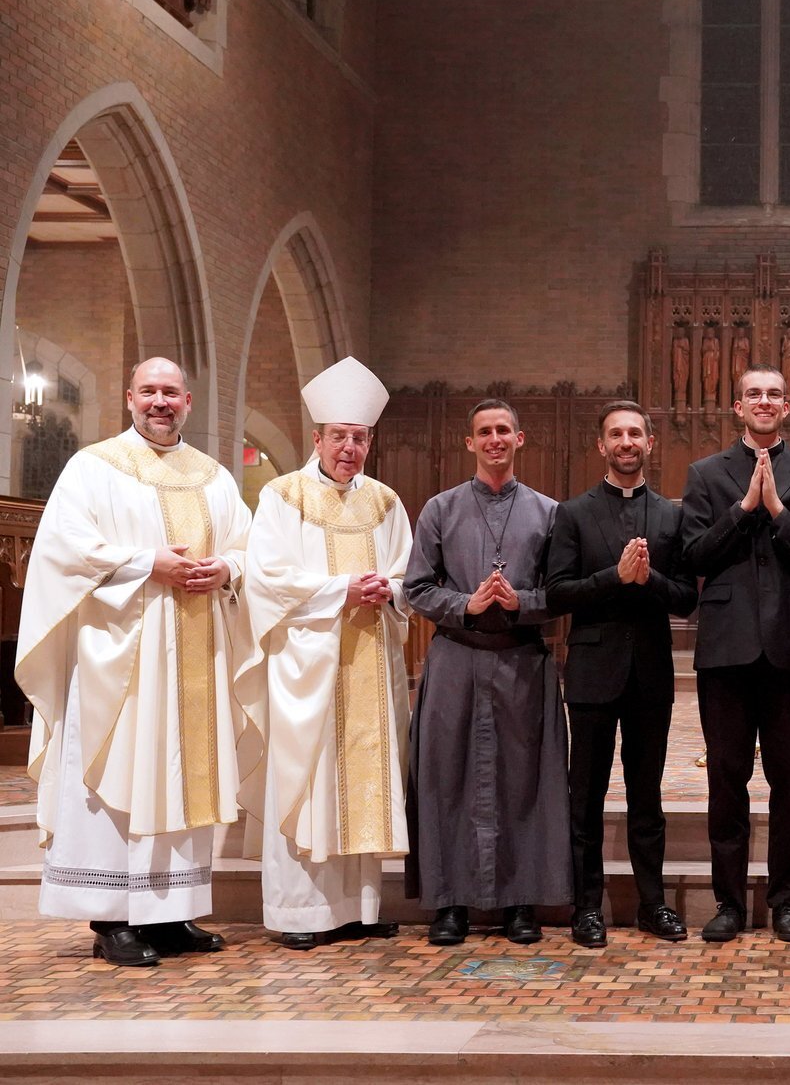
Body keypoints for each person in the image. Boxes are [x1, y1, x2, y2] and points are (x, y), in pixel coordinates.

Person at [16, 358, 253, 967]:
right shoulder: (93, 468)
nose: (159, 402)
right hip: (118, 659)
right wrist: (149, 564)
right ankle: (112, 919)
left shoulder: (215, 477)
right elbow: (65, 549)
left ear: (188, 402)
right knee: (118, 773)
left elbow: (249, 547)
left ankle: (171, 913)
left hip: (195, 652)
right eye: (148, 391)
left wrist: (225, 569)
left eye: (170, 393)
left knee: (181, 774)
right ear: (129, 397)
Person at [241, 356, 413, 950]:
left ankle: (360, 909)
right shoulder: (282, 496)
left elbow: (406, 573)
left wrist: (386, 590)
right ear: (317, 438)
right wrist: (342, 590)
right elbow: (267, 578)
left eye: (359, 438)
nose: (349, 448)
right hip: (305, 666)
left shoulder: (387, 503)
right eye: (338, 437)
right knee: (309, 779)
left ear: (370, 441)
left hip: (369, 659)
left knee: (361, 779)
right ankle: (299, 913)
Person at [680, 364, 790, 943]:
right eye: (754, 394)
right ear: (738, 407)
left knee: (789, 780)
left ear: (788, 406)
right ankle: (728, 902)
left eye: (775, 394)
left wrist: (776, 510)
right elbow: (694, 555)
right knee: (726, 779)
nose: (765, 402)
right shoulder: (705, 475)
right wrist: (743, 507)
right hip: (725, 649)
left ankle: (789, 902)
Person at [402, 399, 571, 946]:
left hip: (522, 659)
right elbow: (417, 587)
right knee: (447, 777)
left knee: (524, 781)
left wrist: (520, 600)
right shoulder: (440, 509)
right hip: (455, 658)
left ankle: (521, 902)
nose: (495, 439)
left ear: (520, 440)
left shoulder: (549, 513)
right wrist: (466, 605)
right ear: (469, 443)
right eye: (484, 432)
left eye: (504, 430)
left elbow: (562, 592)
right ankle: (449, 903)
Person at [546, 401, 698, 947]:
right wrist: (615, 576)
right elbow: (557, 592)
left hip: (651, 673)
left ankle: (651, 904)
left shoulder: (672, 516)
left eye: (635, 433)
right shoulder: (574, 513)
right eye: (616, 434)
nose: (626, 442)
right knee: (583, 795)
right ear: (601, 446)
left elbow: (685, 599)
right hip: (591, 670)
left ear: (650, 443)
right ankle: (585, 907)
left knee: (646, 795)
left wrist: (649, 579)